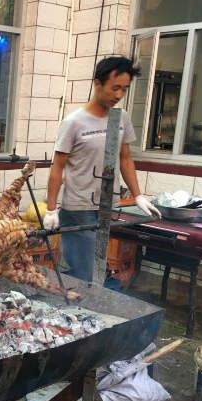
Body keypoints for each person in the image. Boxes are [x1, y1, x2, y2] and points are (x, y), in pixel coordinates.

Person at [43, 56, 161, 282]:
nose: (119, 95)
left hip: (106, 204)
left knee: (97, 267)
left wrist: (138, 195)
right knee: (80, 271)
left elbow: (125, 158)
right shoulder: (74, 122)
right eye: (115, 88)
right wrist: (51, 208)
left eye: (124, 90)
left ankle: (89, 308)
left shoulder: (121, 118)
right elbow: (57, 167)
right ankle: (74, 310)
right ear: (97, 84)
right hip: (78, 207)